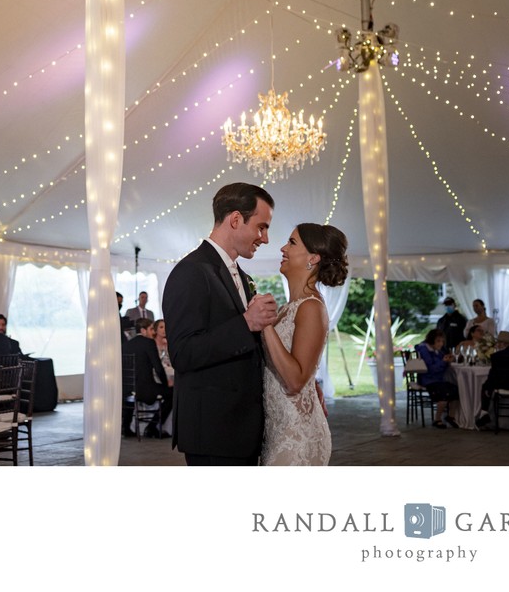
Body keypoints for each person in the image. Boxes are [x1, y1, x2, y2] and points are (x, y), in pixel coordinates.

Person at [163, 182, 278, 466]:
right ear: (236, 219)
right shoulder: (190, 272)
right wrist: (245, 322)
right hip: (213, 432)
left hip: (242, 430)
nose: (265, 239)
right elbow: (183, 353)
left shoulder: (241, 274)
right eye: (261, 227)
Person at [259, 223, 347, 466]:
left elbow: (296, 380)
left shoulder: (311, 307)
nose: (283, 248)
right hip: (278, 429)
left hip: (298, 436)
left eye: (292, 242)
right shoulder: (288, 308)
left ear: (313, 258)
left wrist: (265, 324)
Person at [122, 319, 173, 437]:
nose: (153, 332)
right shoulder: (148, 343)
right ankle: (152, 427)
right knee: (172, 393)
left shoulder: (126, 345)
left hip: (128, 390)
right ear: (143, 330)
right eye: (151, 329)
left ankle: (126, 427)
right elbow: (158, 368)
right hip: (145, 390)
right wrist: (165, 384)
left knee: (131, 395)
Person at [415, 329, 460, 428]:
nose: (441, 343)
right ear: (432, 340)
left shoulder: (438, 350)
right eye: (438, 341)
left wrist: (447, 359)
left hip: (439, 379)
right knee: (443, 393)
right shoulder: (424, 350)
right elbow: (430, 368)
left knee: (456, 390)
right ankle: (437, 419)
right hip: (428, 379)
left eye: (442, 341)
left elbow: (440, 362)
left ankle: (451, 416)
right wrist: (444, 362)